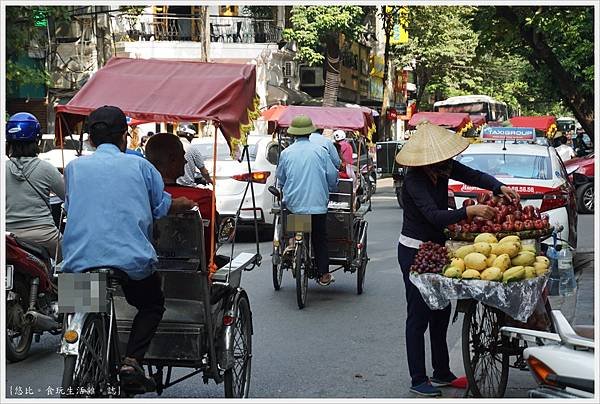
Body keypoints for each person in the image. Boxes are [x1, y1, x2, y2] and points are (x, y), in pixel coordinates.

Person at [61, 106, 196, 393]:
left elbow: (72, 208)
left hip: (77, 261)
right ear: (125, 136)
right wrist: (183, 204)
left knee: (77, 308)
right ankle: (131, 361)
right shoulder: (140, 167)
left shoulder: (74, 168)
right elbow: (160, 207)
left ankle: (79, 341)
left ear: (91, 139)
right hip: (130, 262)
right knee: (152, 304)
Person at [395, 121, 520, 397]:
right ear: (428, 161)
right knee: (419, 315)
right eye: (442, 161)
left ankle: (441, 372)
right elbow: (434, 216)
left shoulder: (444, 168)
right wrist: (469, 211)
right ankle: (418, 378)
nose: (449, 164)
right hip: (415, 251)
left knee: (441, 311)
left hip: (438, 248)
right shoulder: (414, 180)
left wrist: (499, 188)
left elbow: (474, 175)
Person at [276, 115, 339, 286]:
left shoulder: (286, 153)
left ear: (294, 134)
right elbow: (333, 176)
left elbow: (280, 178)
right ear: (310, 132)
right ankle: (324, 274)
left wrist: (283, 187)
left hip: (295, 205)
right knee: (319, 238)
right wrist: (332, 188)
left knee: (299, 228)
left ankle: (293, 243)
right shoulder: (320, 152)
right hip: (318, 206)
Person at [145, 132, 220, 268]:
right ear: (172, 160)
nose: (185, 161)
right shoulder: (203, 197)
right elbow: (211, 241)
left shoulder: (140, 196)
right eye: (183, 156)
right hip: (195, 271)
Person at [5, 112, 65, 262]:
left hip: (8, 237)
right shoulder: (47, 169)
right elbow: (69, 197)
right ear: (37, 140)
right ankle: (65, 286)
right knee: (74, 263)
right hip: (45, 236)